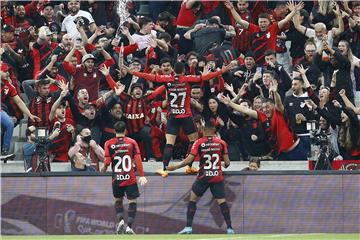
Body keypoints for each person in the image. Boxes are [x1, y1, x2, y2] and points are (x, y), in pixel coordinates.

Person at [124, 61, 234, 177]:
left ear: (173, 70)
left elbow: (149, 76)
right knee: (194, 141)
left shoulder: (167, 79)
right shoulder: (187, 79)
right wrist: (222, 71)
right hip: (186, 115)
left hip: (173, 116)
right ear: (183, 71)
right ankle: (190, 167)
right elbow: (205, 77)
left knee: (169, 143)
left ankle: (164, 169)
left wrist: (134, 72)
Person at [166, 119, 234, 234]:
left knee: (192, 200)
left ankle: (188, 227)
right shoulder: (221, 143)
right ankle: (230, 229)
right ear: (214, 130)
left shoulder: (199, 142)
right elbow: (227, 164)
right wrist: (219, 163)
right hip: (217, 177)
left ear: (202, 130)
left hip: (203, 177)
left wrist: (175, 167)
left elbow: (189, 160)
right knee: (222, 202)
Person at [101, 121, 147, 235]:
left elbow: (107, 162)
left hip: (116, 178)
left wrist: (103, 169)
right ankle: (129, 227)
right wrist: (142, 175)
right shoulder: (132, 142)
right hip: (130, 177)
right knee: (132, 200)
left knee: (118, 200)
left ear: (114, 131)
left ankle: (121, 221)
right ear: (125, 130)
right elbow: (138, 159)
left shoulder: (108, 143)